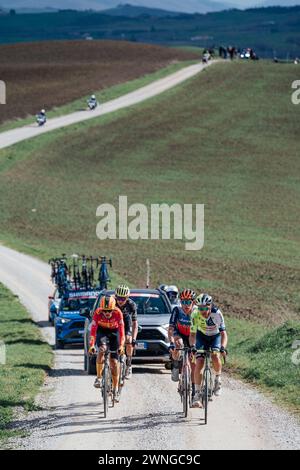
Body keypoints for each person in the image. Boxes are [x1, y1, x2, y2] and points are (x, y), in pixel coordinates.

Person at [189, 293, 228, 408]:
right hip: (201, 336)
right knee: (199, 362)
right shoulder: (195, 314)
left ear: (210, 306)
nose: (202, 311)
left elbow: (224, 334)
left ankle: (218, 380)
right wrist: (193, 346)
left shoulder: (217, 313)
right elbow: (192, 334)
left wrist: (222, 347)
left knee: (215, 355)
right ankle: (196, 394)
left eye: (205, 308)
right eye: (200, 308)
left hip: (215, 337)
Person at [88, 295, 125, 402]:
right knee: (102, 349)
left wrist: (122, 346)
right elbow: (93, 331)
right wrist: (91, 345)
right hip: (102, 331)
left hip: (115, 333)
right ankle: (99, 378)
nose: (107, 313)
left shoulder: (118, 313)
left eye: (109, 310)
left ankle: (116, 388)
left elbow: (122, 332)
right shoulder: (98, 313)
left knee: (114, 362)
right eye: (105, 310)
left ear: (113, 309)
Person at [168, 288, 196, 397]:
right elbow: (170, 329)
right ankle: (175, 365)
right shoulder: (177, 310)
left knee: (193, 363)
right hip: (179, 333)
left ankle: (194, 389)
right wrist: (171, 343)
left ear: (193, 302)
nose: (186, 305)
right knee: (178, 345)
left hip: (193, 335)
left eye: (188, 302)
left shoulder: (196, 312)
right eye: (183, 302)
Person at [114, 285, 138, 379]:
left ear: (127, 298)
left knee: (129, 340)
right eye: (118, 298)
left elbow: (135, 324)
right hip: (114, 324)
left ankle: (129, 365)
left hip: (126, 324)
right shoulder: (113, 302)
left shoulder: (131, 304)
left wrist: (134, 339)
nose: (120, 300)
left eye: (123, 298)